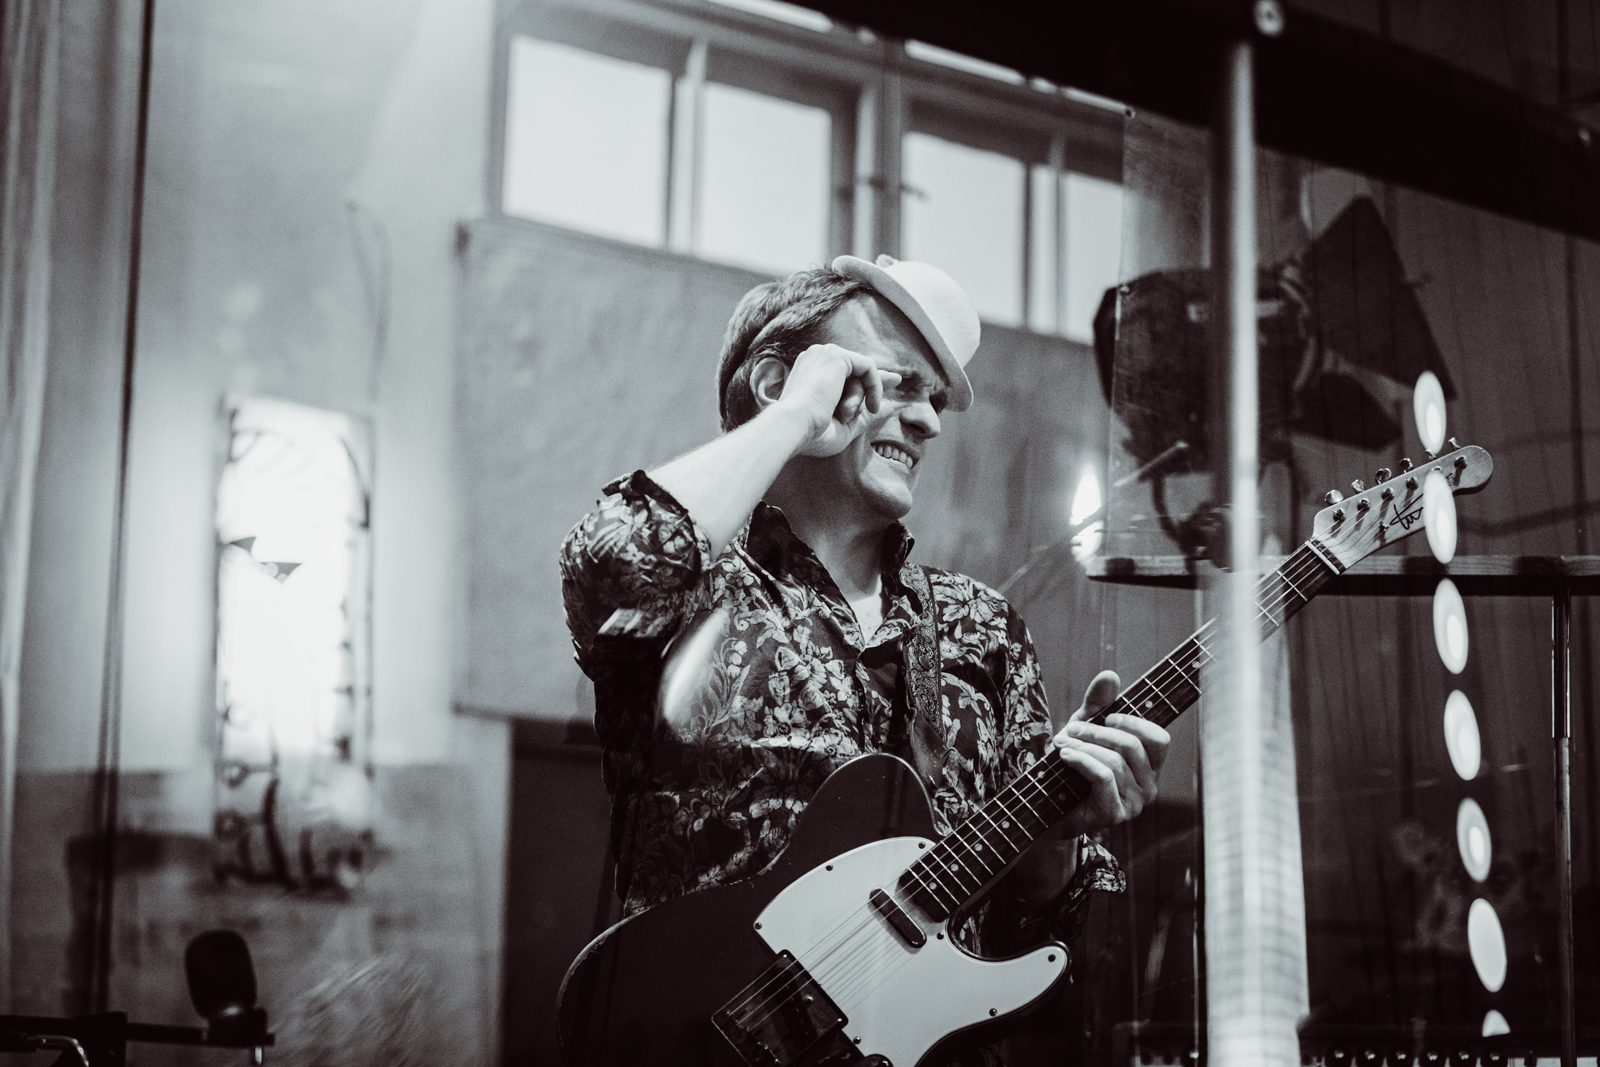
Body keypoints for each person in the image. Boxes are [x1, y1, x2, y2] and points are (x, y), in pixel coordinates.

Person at [559, 255, 1170, 1065]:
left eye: (936, 399)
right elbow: (616, 558)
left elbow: (1038, 954)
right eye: (899, 384)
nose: (930, 423)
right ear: (782, 380)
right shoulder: (698, 591)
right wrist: (792, 416)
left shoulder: (982, 629)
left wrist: (1053, 852)